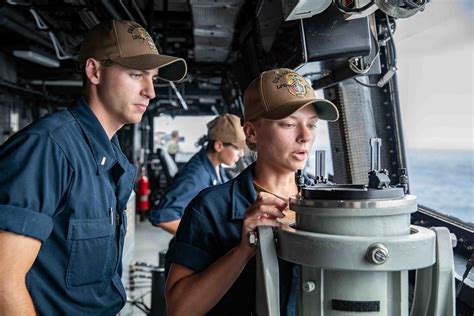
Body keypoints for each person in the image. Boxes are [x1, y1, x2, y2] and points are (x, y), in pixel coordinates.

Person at [0, 20, 186, 315]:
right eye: (137, 75)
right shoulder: (48, 148)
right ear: (94, 71)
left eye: (153, 78)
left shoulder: (109, 156)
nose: (150, 92)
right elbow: (3, 283)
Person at [165, 68, 339, 315]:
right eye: (289, 124)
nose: (305, 136)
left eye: (312, 125)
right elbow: (179, 309)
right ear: (252, 132)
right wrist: (243, 250)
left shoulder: (328, 204)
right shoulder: (210, 208)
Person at [150, 114, 246, 235]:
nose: (241, 154)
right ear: (219, 146)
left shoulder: (215, 167)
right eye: (238, 148)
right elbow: (164, 219)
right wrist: (205, 239)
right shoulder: (196, 176)